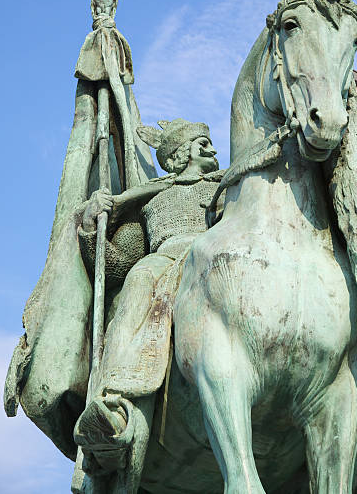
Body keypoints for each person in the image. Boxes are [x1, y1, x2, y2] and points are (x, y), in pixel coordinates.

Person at [74, 118, 224, 481]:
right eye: (202, 142)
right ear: (178, 154)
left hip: (223, 253)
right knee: (139, 279)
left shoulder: (230, 183)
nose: (212, 149)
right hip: (165, 258)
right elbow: (119, 262)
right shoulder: (150, 200)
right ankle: (119, 399)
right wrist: (94, 225)